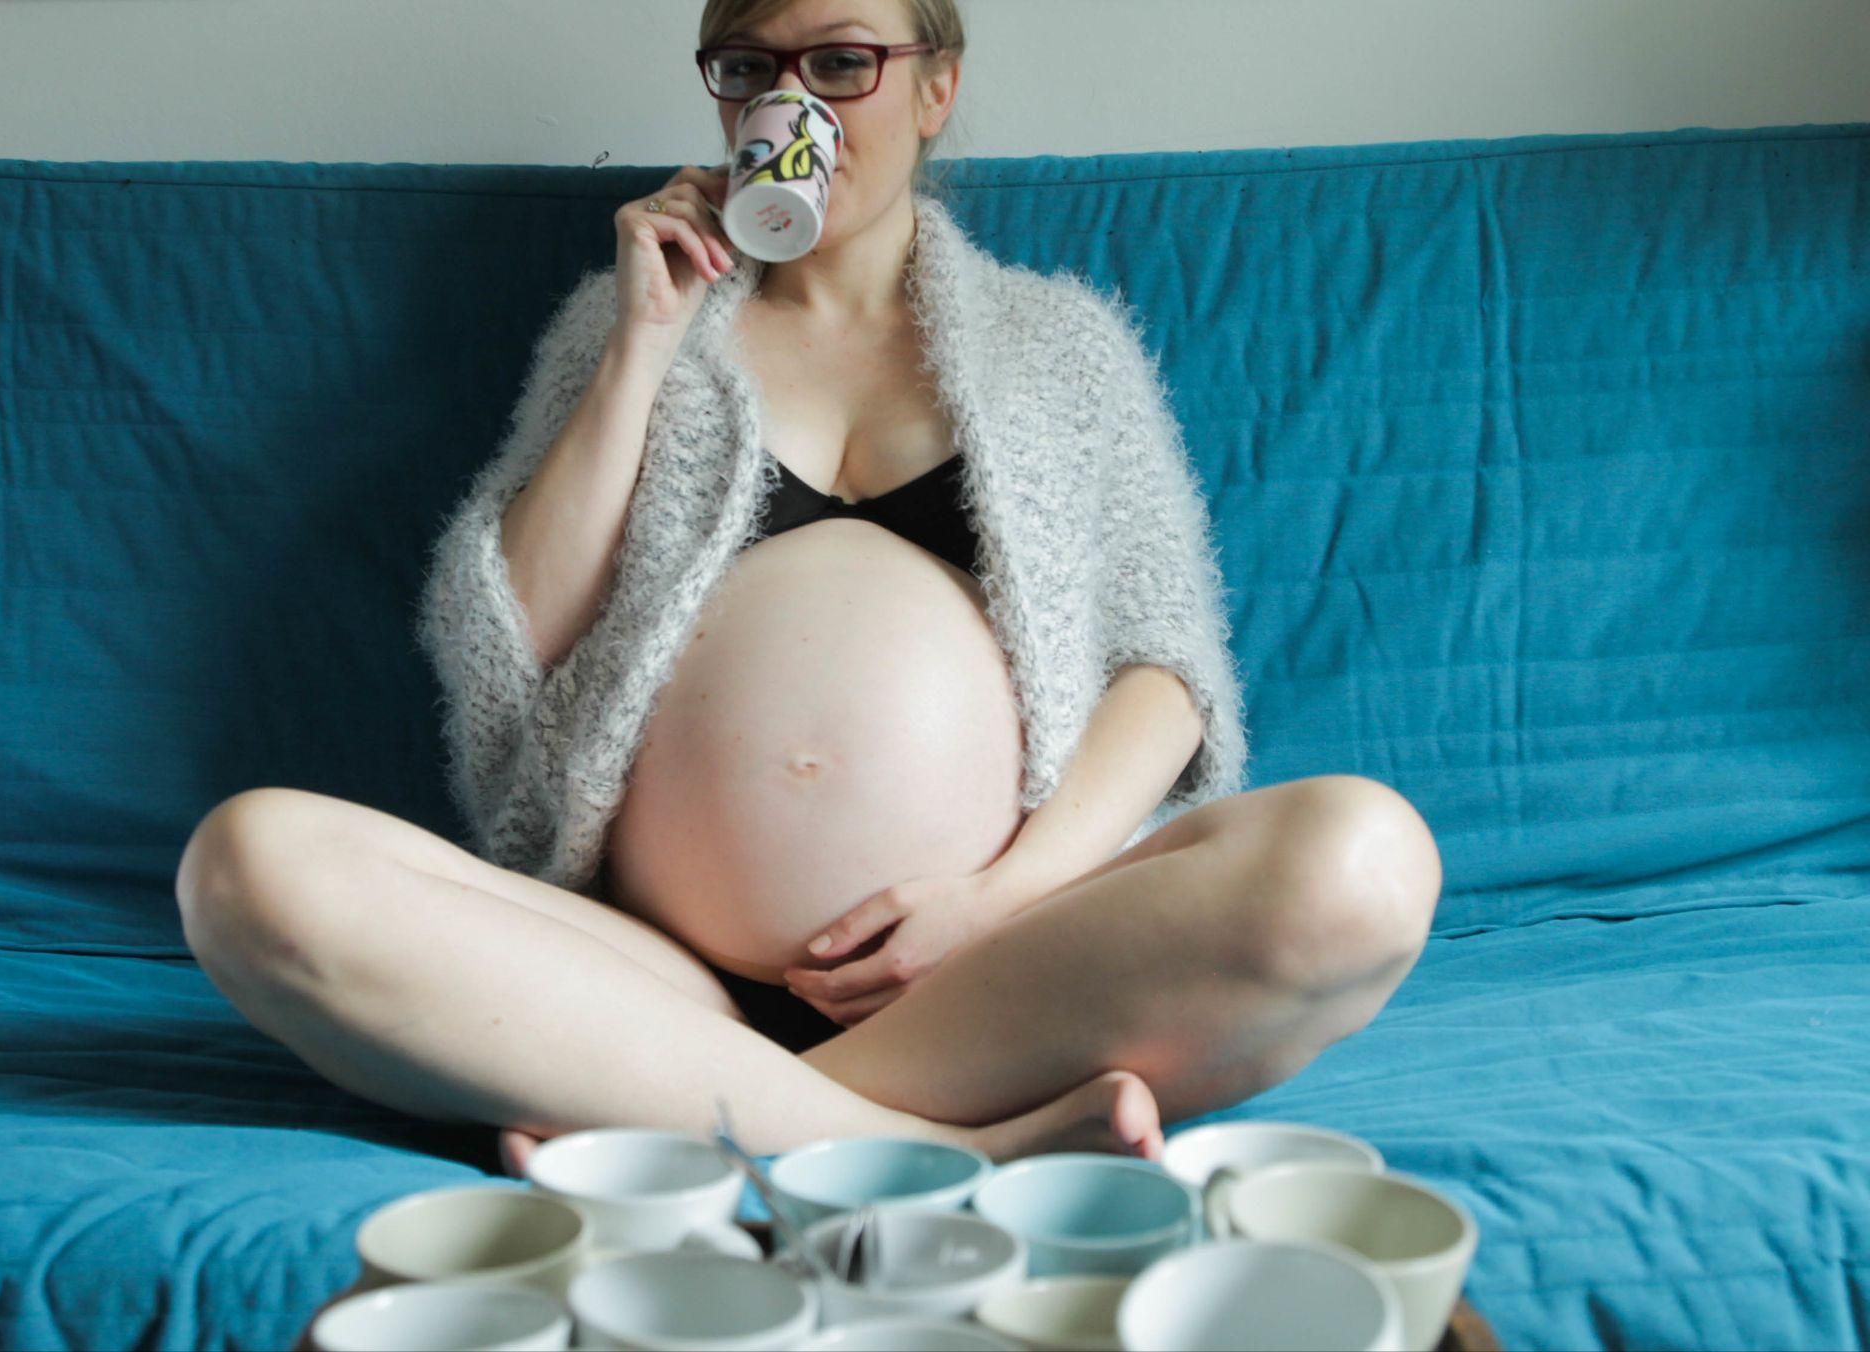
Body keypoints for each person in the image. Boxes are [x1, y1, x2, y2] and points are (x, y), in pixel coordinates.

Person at [174, 0, 1444, 1179]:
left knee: (1364, 858)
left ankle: (667, 1105)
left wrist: (992, 901)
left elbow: (1165, 669)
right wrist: (641, 345)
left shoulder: (1057, 344)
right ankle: (932, 1144)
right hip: (655, 968)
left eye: (842, 62)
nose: (798, 106)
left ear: (935, 86)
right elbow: (509, 646)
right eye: (750, 70)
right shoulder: (624, 326)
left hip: (997, 966)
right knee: (248, 864)